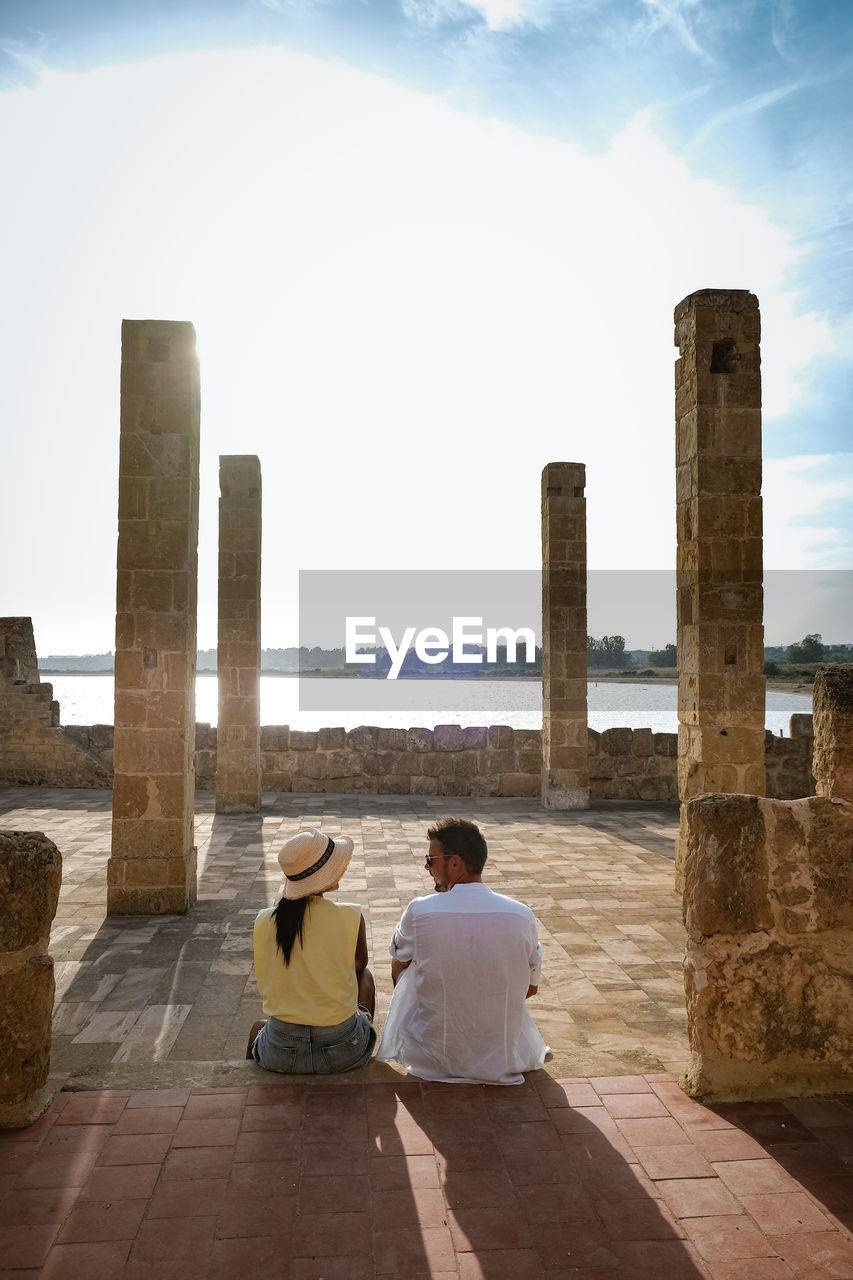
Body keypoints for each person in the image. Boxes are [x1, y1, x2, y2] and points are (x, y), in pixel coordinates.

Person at [377, 817, 547, 1085]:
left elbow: (398, 966)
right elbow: (531, 989)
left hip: (432, 1059)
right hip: (503, 1058)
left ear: (454, 863)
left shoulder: (420, 911)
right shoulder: (521, 915)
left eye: (431, 860)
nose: (426, 867)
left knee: (406, 964)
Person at [247, 828, 376, 1073]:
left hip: (280, 1054)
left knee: (258, 1028)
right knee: (365, 978)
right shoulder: (351, 916)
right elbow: (358, 965)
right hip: (343, 1051)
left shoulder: (265, 920)